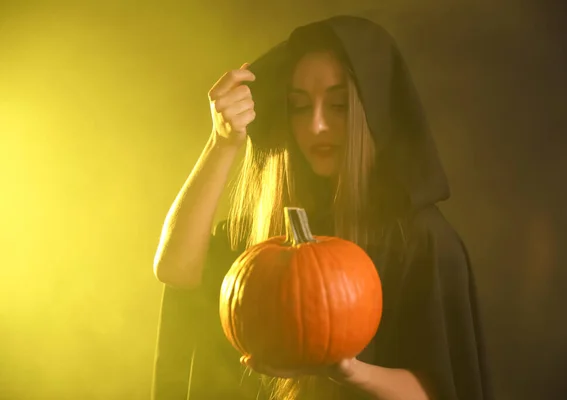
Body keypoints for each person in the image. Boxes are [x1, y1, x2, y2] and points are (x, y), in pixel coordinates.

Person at [151, 15, 493, 400]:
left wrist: (345, 369)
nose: (316, 125)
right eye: (299, 107)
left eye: (338, 105)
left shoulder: (421, 240)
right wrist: (223, 143)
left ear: (372, 114)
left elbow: (441, 390)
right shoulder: (263, 234)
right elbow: (176, 270)